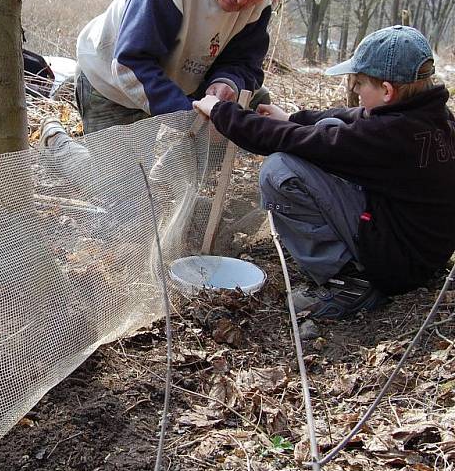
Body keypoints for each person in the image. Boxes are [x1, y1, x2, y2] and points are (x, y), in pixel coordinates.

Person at [193, 25, 455, 320]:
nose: (354, 90)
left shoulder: (389, 137)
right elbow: (349, 119)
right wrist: (294, 118)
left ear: (386, 91)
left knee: (280, 170)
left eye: (359, 84)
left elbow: (292, 141)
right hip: (418, 253)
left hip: (398, 265)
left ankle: (349, 284)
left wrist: (221, 112)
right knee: (329, 128)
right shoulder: (434, 119)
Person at [40, 0, 297, 147]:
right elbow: (131, 65)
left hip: (172, 83)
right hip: (111, 81)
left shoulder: (259, 6)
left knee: (252, 103)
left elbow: (244, 63)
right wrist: (188, 116)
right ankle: (58, 148)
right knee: (121, 194)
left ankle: (177, 176)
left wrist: (225, 83)